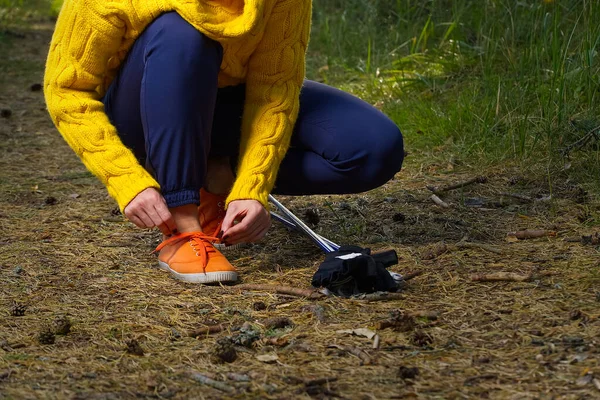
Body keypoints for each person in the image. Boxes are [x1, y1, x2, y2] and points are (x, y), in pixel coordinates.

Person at [44, 1, 404, 285]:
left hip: (226, 102)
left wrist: (252, 186)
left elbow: (273, 93)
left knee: (373, 148)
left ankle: (216, 174)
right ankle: (186, 225)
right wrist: (126, 179)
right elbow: (66, 90)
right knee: (183, 31)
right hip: (144, 111)